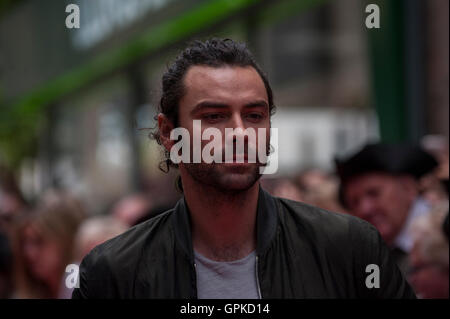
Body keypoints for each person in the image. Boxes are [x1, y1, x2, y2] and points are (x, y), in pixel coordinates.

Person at [73, 38, 414, 299]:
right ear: (168, 133)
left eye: (254, 115)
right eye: (214, 116)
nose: (239, 133)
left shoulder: (349, 248)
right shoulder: (114, 273)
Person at [335, 143, 438, 275]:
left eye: (373, 193)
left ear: (408, 188)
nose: (364, 209)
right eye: (354, 202)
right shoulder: (367, 255)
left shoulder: (443, 236)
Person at [12, 190, 85, 298]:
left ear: (64, 240)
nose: (28, 252)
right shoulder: (22, 294)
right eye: (24, 242)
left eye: (39, 241)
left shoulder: (87, 286)